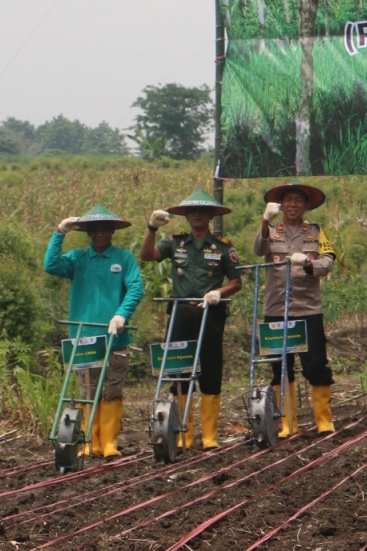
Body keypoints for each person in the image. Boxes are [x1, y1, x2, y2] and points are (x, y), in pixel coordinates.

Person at [140, 188, 242, 450]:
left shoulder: (222, 246)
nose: (196, 215)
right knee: (179, 370)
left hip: (210, 312)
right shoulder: (175, 242)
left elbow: (236, 281)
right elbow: (147, 255)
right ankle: (184, 433)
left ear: (209, 215)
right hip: (180, 312)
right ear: (186, 216)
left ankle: (209, 436)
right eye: (191, 211)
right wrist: (151, 228)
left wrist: (218, 292)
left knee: (210, 370)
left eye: (201, 211)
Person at [44, 205, 144, 458]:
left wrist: (121, 313)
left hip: (115, 337)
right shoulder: (77, 259)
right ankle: (90, 441)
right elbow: (51, 265)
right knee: (88, 390)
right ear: (88, 233)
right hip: (85, 337)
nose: (100, 234)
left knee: (112, 389)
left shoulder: (123, 259)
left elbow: (136, 288)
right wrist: (59, 233)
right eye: (95, 230)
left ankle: (108, 441)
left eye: (105, 230)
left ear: (112, 231)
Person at [253, 179, 337, 436]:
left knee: (315, 365)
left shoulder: (315, 231)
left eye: (298, 200)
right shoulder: (271, 230)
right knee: (280, 366)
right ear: (280, 205)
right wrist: (265, 221)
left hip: (308, 308)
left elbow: (329, 261)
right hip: (276, 307)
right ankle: (287, 422)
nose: (292, 204)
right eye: (288, 200)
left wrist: (309, 265)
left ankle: (324, 420)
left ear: (305, 205)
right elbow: (257, 250)